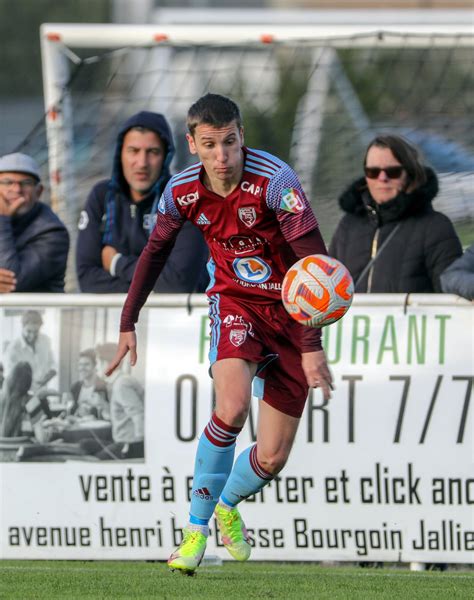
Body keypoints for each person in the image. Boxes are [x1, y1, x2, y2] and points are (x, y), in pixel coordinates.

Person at [105, 93, 332, 574]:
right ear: (192, 144)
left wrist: (311, 345)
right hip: (235, 304)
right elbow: (154, 254)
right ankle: (194, 534)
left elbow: (314, 266)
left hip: (292, 317)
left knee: (271, 457)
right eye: (209, 145)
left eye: (229, 142)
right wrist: (128, 321)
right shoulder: (182, 191)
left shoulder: (277, 182)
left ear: (241, 136)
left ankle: (227, 503)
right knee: (230, 407)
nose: (222, 157)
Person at [76, 111, 208, 293]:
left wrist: (117, 263)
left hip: (178, 320)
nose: (142, 163)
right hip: (115, 319)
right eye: (133, 151)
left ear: (165, 156)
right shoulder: (102, 197)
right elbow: (87, 280)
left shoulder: (185, 199)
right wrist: (153, 285)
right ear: (120, 154)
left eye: (152, 152)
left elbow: (177, 284)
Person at [329, 134, 462, 293]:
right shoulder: (348, 226)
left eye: (393, 172)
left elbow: (451, 299)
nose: (382, 178)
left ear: (410, 174)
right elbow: (327, 290)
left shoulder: (436, 228)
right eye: (373, 171)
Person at [0, 152, 69, 293]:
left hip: (37, 314)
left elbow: (12, 281)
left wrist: (2, 218)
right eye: (8, 182)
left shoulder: (53, 232)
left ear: (39, 191)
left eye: (26, 183)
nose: (17, 189)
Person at [80, 342, 144, 460]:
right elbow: (120, 417)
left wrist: (137, 449)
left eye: (99, 363)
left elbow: (138, 415)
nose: (97, 367)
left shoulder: (122, 385)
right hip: (122, 441)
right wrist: (102, 405)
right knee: (85, 445)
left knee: (91, 462)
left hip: (128, 445)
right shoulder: (116, 383)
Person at [5, 310, 56, 394]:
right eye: (28, 331)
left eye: (36, 332)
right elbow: (10, 378)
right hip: (22, 396)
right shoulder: (13, 349)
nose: (32, 336)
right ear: (22, 327)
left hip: (41, 393)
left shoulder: (46, 341)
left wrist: (47, 377)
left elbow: (53, 365)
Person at [69, 348, 109, 419]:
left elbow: (109, 414)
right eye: (80, 364)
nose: (82, 368)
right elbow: (72, 412)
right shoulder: (75, 387)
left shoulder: (105, 387)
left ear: (94, 366)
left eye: (86, 364)